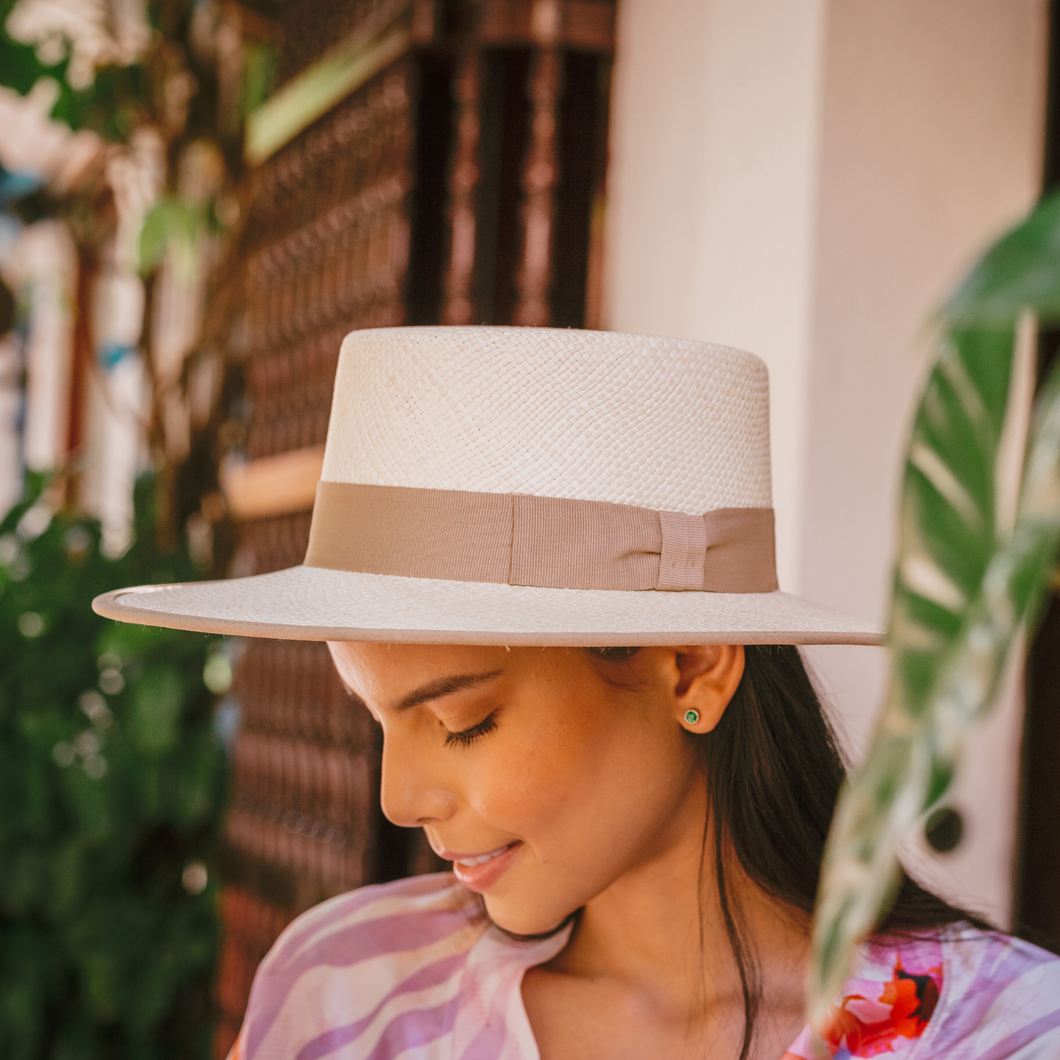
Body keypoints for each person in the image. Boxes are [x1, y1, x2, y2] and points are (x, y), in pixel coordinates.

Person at [96, 327, 1060, 1059]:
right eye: (377, 716)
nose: (399, 799)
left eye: (462, 722)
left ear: (692, 666)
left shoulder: (1003, 1034)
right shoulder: (349, 993)